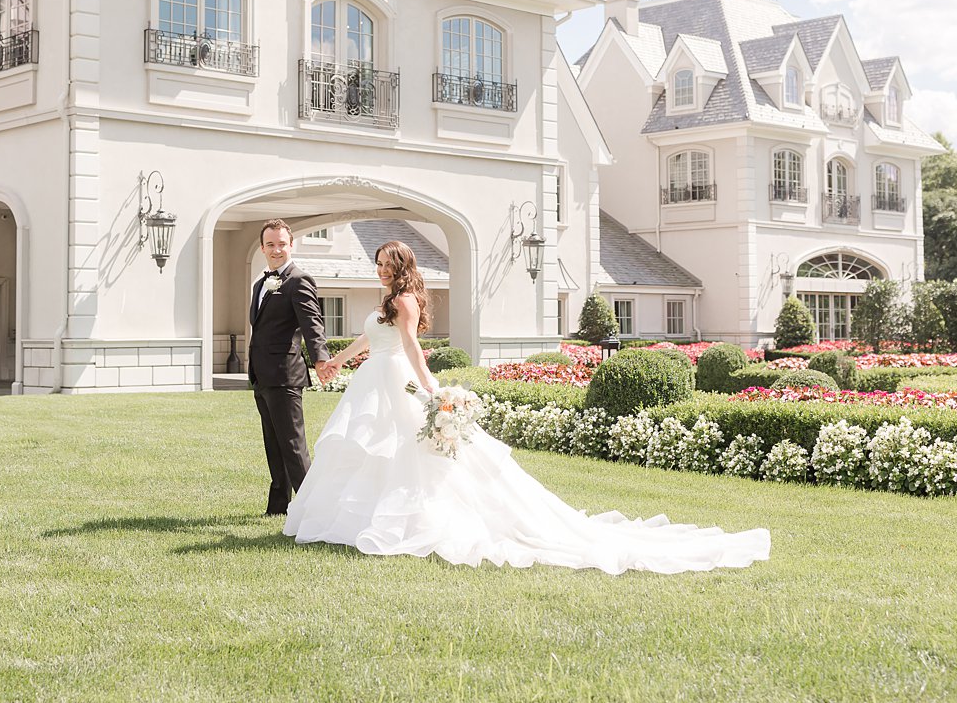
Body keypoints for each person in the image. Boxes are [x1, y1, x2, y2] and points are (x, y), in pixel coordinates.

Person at [288, 240, 770, 575]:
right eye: (378, 264)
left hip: (398, 382)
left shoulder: (407, 301)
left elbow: (412, 348)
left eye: (387, 263)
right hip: (373, 381)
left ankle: (408, 521)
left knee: (410, 454)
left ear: (402, 265)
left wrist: (433, 391)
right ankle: (357, 520)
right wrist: (336, 364)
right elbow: (367, 338)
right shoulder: (385, 300)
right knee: (372, 450)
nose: (381, 269)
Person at [247, 219, 330, 516]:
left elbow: (312, 323)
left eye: (282, 243)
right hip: (262, 375)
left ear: (291, 245)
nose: (276, 249)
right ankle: (278, 507)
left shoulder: (299, 280)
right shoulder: (260, 283)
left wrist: (320, 358)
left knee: (293, 447)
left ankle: (315, 509)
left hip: (285, 375)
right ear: (262, 248)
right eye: (270, 244)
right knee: (274, 444)